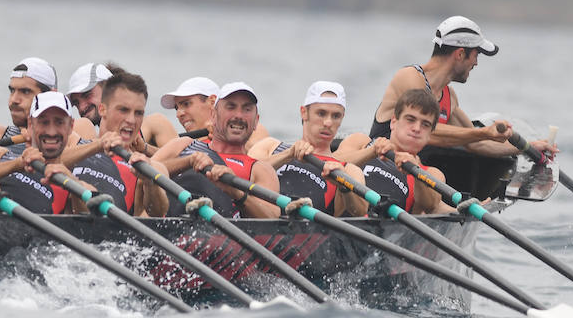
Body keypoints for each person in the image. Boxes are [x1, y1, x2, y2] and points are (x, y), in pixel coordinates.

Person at [368, 16, 556, 158]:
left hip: (410, 178)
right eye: (476, 55)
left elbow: (477, 144)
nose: (476, 63)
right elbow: (428, 132)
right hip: (378, 166)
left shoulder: (449, 97)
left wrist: (527, 148)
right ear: (460, 54)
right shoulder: (409, 77)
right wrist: (484, 132)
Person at [152, 82, 279, 218]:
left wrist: (237, 193)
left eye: (246, 109)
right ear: (213, 115)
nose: (239, 116)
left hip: (220, 235)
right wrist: (188, 162)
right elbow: (143, 174)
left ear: (255, 122)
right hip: (167, 229)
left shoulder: (261, 169)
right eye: (231, 107)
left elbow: (271, 219)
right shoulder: (184, 145)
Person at [256, 81, 368, 217]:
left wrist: (344, 186)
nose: (328, 123)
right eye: (321, 113)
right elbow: (246, 175)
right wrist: (288, 155)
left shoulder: (348, 170)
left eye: (336, 116)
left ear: (342, 118)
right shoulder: (270, 146)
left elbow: (360, 212)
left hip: (312, 234)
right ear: (304, 113)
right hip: (263, 226)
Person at [335, 89, 454, 214]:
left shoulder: (432, 173)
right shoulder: (360, 142)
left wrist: (415, 171)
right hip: (340, 222)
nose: (417, 128)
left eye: (425, 124)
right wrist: (371, 152)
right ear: (393, 122)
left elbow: (430, 205)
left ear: (430, 134)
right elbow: (330, 162)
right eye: (410, 119)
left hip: (385, 231)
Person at [0, 92, 89, 215]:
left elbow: (87, 223)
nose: (51, 132)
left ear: (71, 126)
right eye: (44, 122)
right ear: (30, 124)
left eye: (59, 122)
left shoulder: (70, 184)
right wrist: (16, 165)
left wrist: (71, 183)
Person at [68, 61, 175, 154]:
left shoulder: (154, 123)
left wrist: (145, 149)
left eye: (87, 95)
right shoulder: (82, 128)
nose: (82, 108)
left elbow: (185, 162)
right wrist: (99, 145)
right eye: (76, 103)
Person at [159, 76, 268, 149]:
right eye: (176, 108)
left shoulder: (254, 129)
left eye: (186, 104)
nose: (179, 114)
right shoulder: (180, 144)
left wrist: (221, 136)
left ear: (212, 102)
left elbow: (259, 158)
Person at [0, 57, 58, 151]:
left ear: (51, 96)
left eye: (25, 91)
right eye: (12, 90)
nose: (14, 100)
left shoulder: (71, 138)